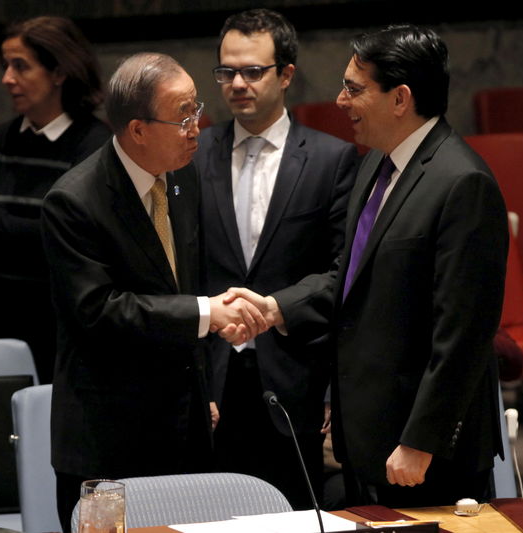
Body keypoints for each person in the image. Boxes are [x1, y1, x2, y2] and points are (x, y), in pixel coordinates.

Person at [224, 25, 508, 508]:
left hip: (425, 455)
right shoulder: (377, 165)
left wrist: (422, 441)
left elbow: (462, 335)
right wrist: (275, 307)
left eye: (354, 89)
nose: (339, 100)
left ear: (400, 99)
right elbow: (349, 278)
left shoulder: (463, 183)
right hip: (368, 438)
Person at [41, 52, 268, 531]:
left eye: (196, 111)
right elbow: (100, 312)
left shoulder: (183, 175)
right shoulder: (74, 201)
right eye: (182, 117)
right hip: (109, 437)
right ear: (137, 129)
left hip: (184, 424)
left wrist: (201, 383)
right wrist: (208, 314)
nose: (196, 127)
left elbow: (184, 282)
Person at [195, 9, 357, 508]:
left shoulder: (333, 158)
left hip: (293, 371)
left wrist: (273, 309)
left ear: (285, 74)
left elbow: (340, 272)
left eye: (252, 71)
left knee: (295, 512)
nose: (237, 84)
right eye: (227, 72)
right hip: (213, 374)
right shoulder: (193, 153)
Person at [0, 16, 111, 384]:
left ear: (58, 72)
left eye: (20, 66)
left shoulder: (95, 144)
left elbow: (79, 240)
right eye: (5, 65)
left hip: (62, 318)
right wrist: (39, 230)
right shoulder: (2, 139)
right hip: (1, 313)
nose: (7, 78)